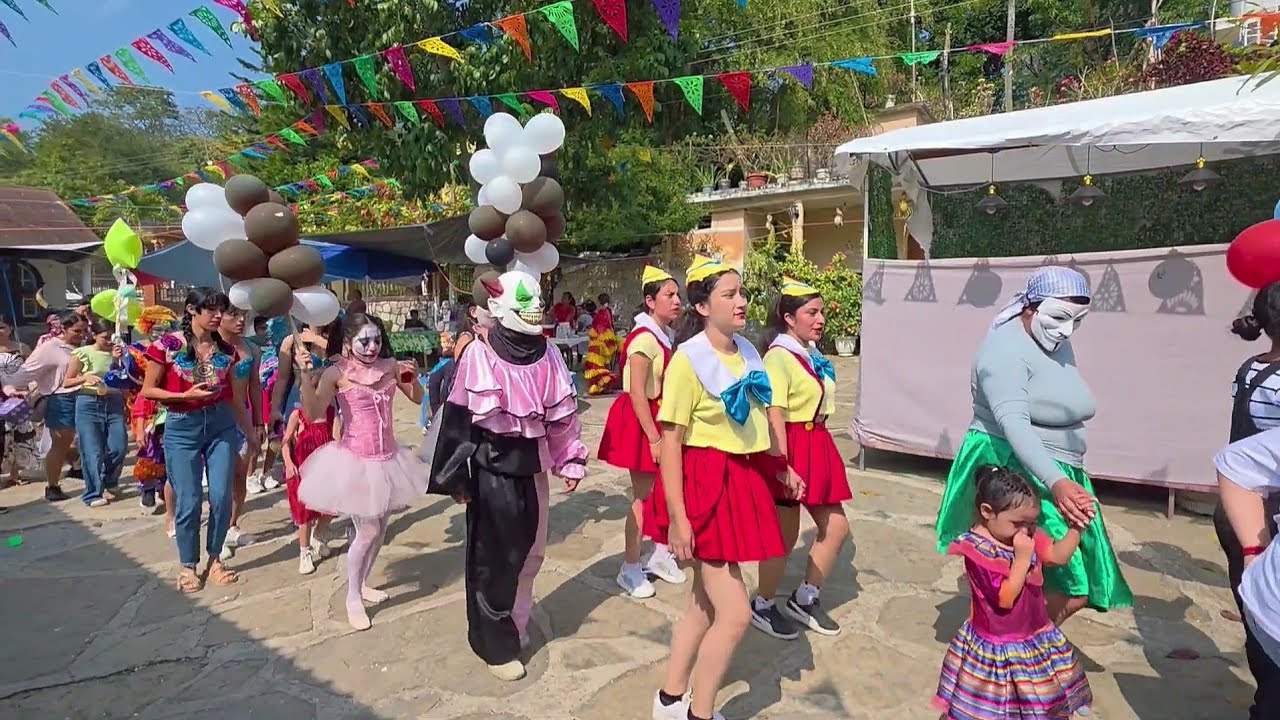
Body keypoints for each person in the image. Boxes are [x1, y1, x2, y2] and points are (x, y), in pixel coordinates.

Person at [641, 255, 801, 720]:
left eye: (742, 293)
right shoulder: (688, 360)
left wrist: (781, 465)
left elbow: (756, 421)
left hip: (741, 480)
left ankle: (671, 699)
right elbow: (671, 442)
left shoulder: (749, 352)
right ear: (702, 304)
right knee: (733, 612)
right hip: (704, 486)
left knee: (702, 604)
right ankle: (700, 713)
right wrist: (677, 517)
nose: (741, 301)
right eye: (729, 294)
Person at [934, 266, 1132, 625]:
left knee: (1071, 575)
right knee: (1069, 582)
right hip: (1020, 465)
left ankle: (1008, 640)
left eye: (1078, 319)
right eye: (1058, 316)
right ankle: (1012, 645)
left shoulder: (1055, 340)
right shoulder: (1004, 351)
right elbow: (1014, 423)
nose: (1067, 329)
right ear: (1029, 307)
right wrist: (1055, 481)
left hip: (1058, 466)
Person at [428, 270, 587, 682]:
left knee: (532, 555)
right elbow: (458, 421)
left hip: (532, 470)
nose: (535, 310)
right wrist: (455, 478)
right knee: (494, 561)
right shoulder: (478, 356)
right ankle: (493, 645)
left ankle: (515, 623)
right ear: (497, 308)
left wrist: (568, 458)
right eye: (524, 303)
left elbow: (562, 418)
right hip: (491, 471)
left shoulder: (549, 354)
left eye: (536, 302)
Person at [295, 313, 427, 631]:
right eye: (364, 341)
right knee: (366, 532)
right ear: (347, 343)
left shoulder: (390, 366)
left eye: (376, 340)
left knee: (379, 530)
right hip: (357, 460)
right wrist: (305, 376)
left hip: (389, 459)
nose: (371, 347)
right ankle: (352, 596)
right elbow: (314, 415)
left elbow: (418, 398)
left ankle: (363, 583)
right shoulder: (336, 373)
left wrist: (415, 377)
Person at [934, 465, 1092, 719]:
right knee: (997, 704)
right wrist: (1021, 559)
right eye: (1018, 523)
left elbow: (1056, 556)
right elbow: (1005, 599)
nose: (1026, 530)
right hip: (999, 645)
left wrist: (1077, 528)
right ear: (987, 512)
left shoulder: (1023, 534)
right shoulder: (978, 550)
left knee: (1039, 697)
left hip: (1035, 633)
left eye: (1031, 523)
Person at [751, 277, 852, 640]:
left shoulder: (809, 352)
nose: (821, 318)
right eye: (812, 312)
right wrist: (781, 464)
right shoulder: (779, 357)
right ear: (789, 318)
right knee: (784, 534)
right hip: (791, 443)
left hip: (817, 442)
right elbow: (773, 410)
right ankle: (762, 604)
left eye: (821, 311)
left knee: (836, 526)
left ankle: (805, 598)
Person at [141, 287, 256, 594]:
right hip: (182, 426)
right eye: (212, 310)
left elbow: (232, 396)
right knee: (189, 501)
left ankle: (215, 559)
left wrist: (250, 430)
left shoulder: (227, 352)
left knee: (220, 496)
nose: (218, 316)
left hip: (221, 425)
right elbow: (148, 390)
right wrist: (182, 396)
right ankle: (188, 564)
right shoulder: (167, 345)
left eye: (222, 310)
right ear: (192, 310)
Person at [1212, 281, 1280, 719]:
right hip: (1263, 516)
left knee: (1254, 610)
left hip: (1232, 509)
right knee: (1268, 613)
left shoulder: (1251, 366)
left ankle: (1265, 698)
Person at [598, 266, 685, 598]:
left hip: (658, 417)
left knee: (664, 491)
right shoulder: (644, 339)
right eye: (669, 295)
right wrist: (654, 438)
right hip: (642, 420)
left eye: (677, 295)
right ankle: (630, 567)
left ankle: (661, 553)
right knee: (644, 497)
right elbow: (637, 392)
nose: (677, 301)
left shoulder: (662, 334)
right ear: (650, 301)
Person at [6, 309, 87, 502]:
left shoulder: (83, 346)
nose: (81, 335)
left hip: (84, 397)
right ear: (64, 329)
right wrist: (10, 387)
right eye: (77, 331)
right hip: (60, 400)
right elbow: (26, 372)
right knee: (60, 444)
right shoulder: (49, 348)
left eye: (84, 330)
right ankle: (53, 486)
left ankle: (78, 468)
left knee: (81, 441)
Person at [64, 320, 127, 507]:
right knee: (92, 451)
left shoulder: (121, 353)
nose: (109, 341)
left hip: (114, 402)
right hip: (89, 403)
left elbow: (126, 376)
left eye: (112, 337)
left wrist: (119, 360)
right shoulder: (83, 353)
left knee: (119, 447)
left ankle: (110, 480)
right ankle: (92, 493)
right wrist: (85, 377)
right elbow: (67, 381)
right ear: (94, 335)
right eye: (104, 337)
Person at [219, 307, 265, 560]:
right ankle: (218, 532)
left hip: (243, 418)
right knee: (221, 479)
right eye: (233, 315)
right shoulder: (210, 349)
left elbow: (255, 386)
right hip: (218, 418)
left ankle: (232, 526)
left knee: (240, 475)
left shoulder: (251, 348)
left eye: (243, 316)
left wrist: (258, 421)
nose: (240, 321)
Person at [282, 402, 337, 575]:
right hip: (301, 470)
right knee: (304, 514)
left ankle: (319, 534)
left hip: (324, 469)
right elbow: (285, 442)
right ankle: (304, 552)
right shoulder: (297, 415)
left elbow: (337, 439)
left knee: (332, 506)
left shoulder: (331, 413)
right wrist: (288, 463)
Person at [0, 317, 36, 489]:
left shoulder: (22, 348)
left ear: (10, 329)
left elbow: (31, 369)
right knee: (4, 437)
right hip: (1, 397)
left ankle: (16, 473)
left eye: (2, 327)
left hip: (19, 396)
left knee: (20, 436)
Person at [584, 293, 621, 395]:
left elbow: (598, 326)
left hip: (598, 340)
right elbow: (610, 325)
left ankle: (600, 385)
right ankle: (605, 385)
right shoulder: (607, 311)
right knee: (605, 363)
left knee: (597, 364)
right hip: (606, 340)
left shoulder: (601, 312)